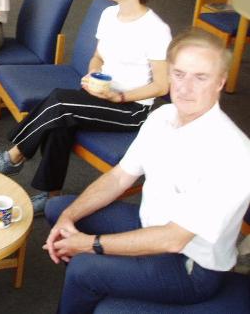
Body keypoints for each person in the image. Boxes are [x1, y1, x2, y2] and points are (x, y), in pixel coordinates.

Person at [43, 29, 250, 313]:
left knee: (83, 269)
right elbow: (118, 177)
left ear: (220, 82)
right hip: (149, 225)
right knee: (59, 210)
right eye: (179, 74)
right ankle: (102, 286)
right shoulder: (162, 117)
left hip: (191, 267)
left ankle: (96, 283)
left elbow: (174, 239)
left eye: (200, 77)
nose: (186, 88)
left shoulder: (233, 152)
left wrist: (90, 245)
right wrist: (69, 217)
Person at [0, 0, 171, 213]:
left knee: (60, 100)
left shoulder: (155, 29)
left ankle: (13, 156)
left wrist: (120, 97)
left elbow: (162, 86)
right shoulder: (109, 15)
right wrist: (93, 74)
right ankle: (51, 195)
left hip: (131, 108)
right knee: (61, 123)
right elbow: (97, 57)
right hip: (102, 93)